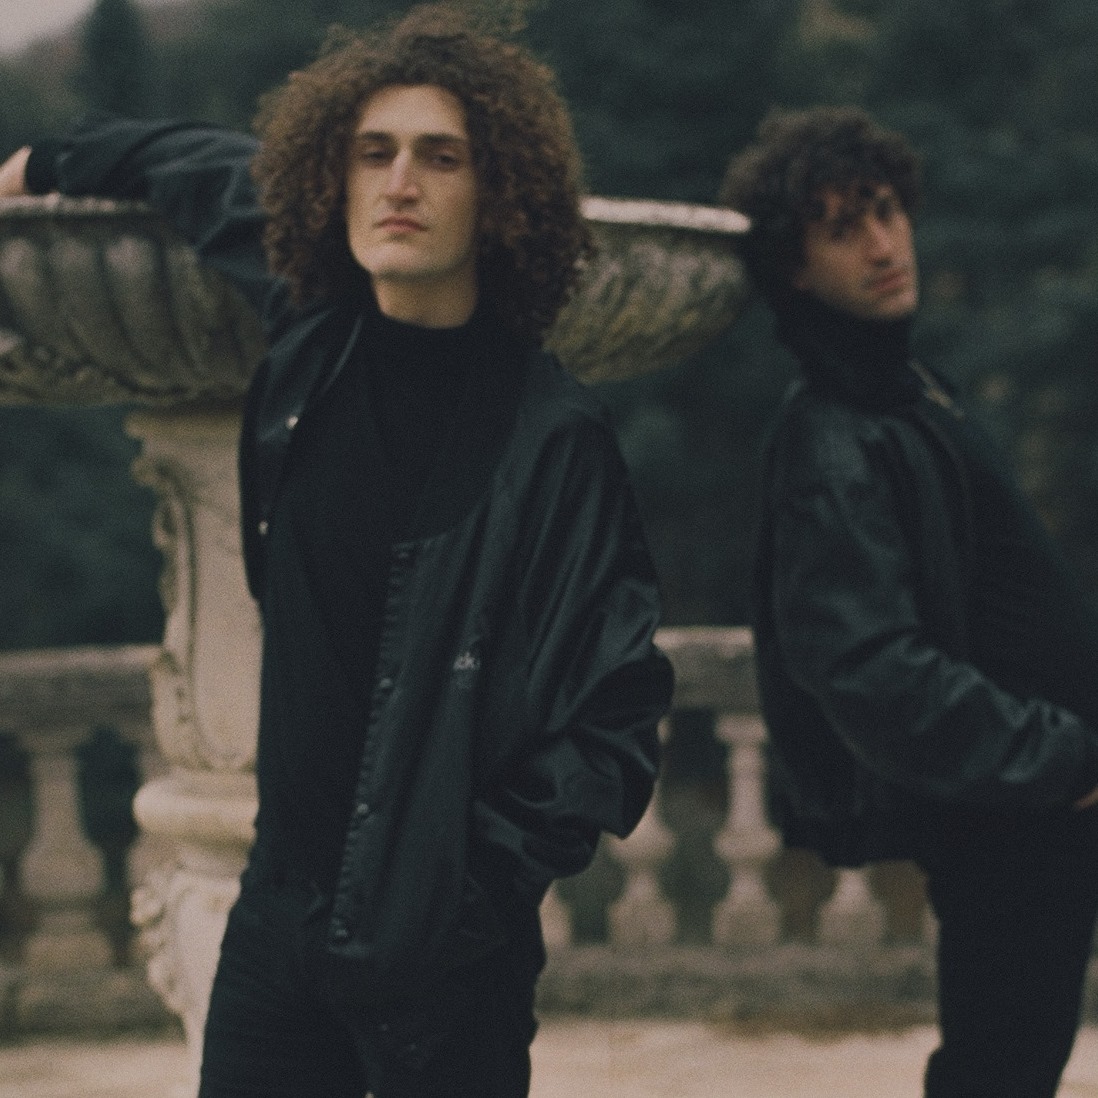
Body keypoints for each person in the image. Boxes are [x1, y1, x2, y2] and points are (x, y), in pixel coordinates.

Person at [0, 6, 673, 1096]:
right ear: (336, 179)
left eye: (440, 157)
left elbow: (616, 717)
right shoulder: (313, 343)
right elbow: (201, 167)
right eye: (373, 153)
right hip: (277, 920)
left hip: (443, 962)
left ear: (499, 195)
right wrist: (44, 162)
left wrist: (464, 894)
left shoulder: (553, 439)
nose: (399, 182)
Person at [720, 105, 1098, 1098]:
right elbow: (864, 665)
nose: (884, 246)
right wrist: (1060, 759)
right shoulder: (831, 434)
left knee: (1013, 1064)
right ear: (796, 269)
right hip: (1014, 810)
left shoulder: (908, 390)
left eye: (886, 211)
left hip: (1040, 806)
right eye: (843, 229)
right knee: (997, 1072)